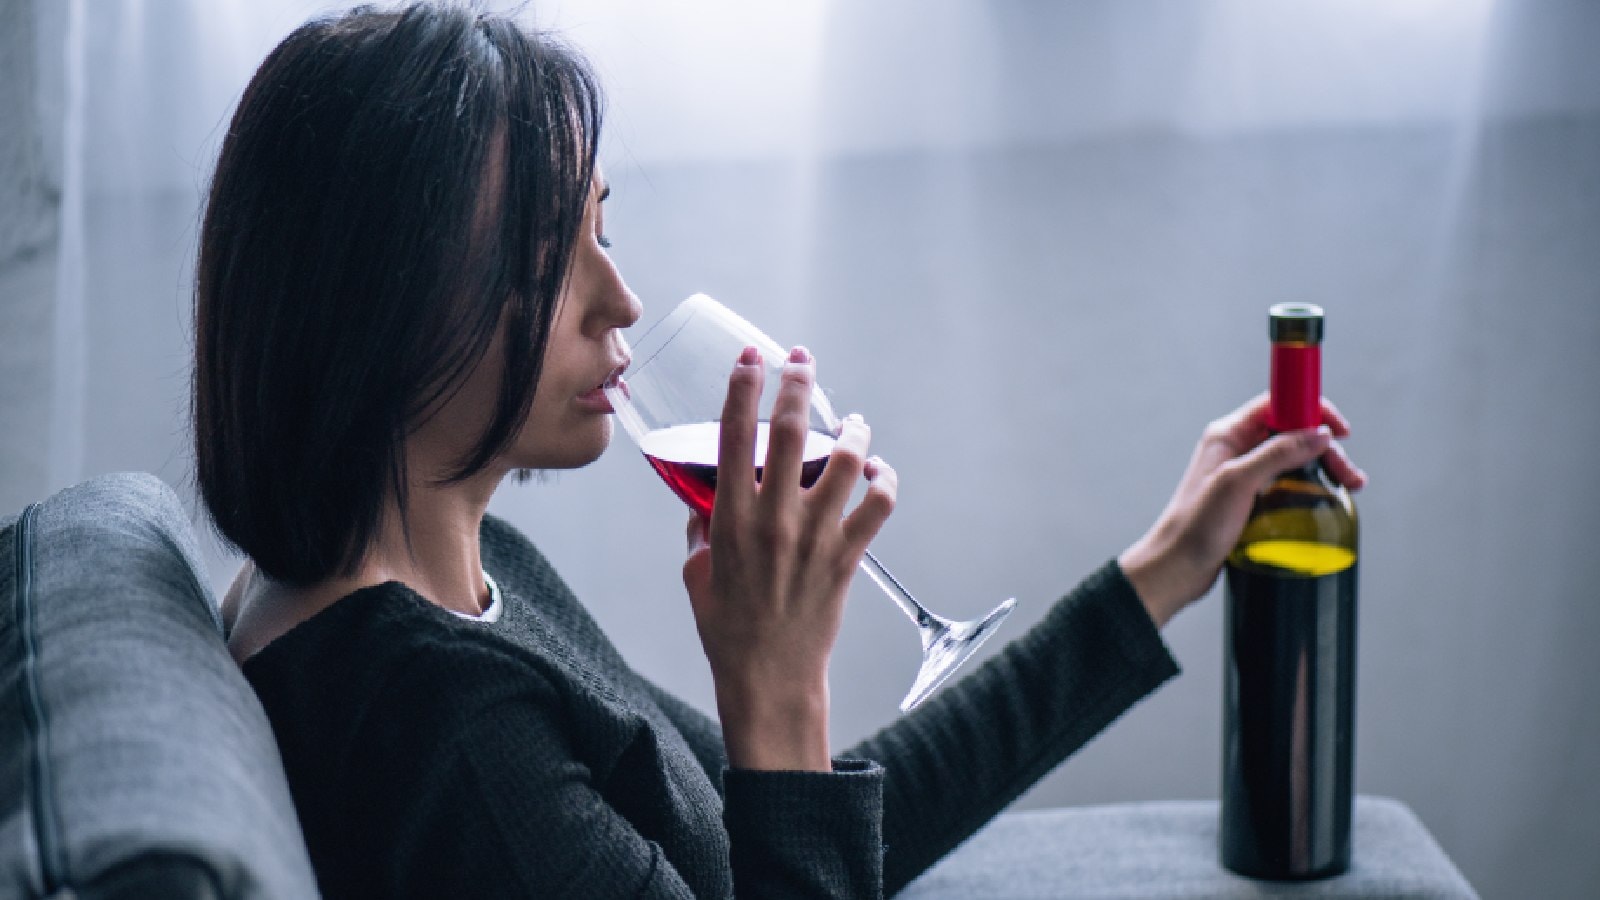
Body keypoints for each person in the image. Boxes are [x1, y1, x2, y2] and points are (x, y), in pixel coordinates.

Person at [195, 4, 1367, 899]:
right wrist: (774, 681)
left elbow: (803, 828)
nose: (621, 298)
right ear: (380, 300)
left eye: (604, 229)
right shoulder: (436, 725)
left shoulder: (458, 582)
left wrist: (1164, 565)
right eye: (552, 252)